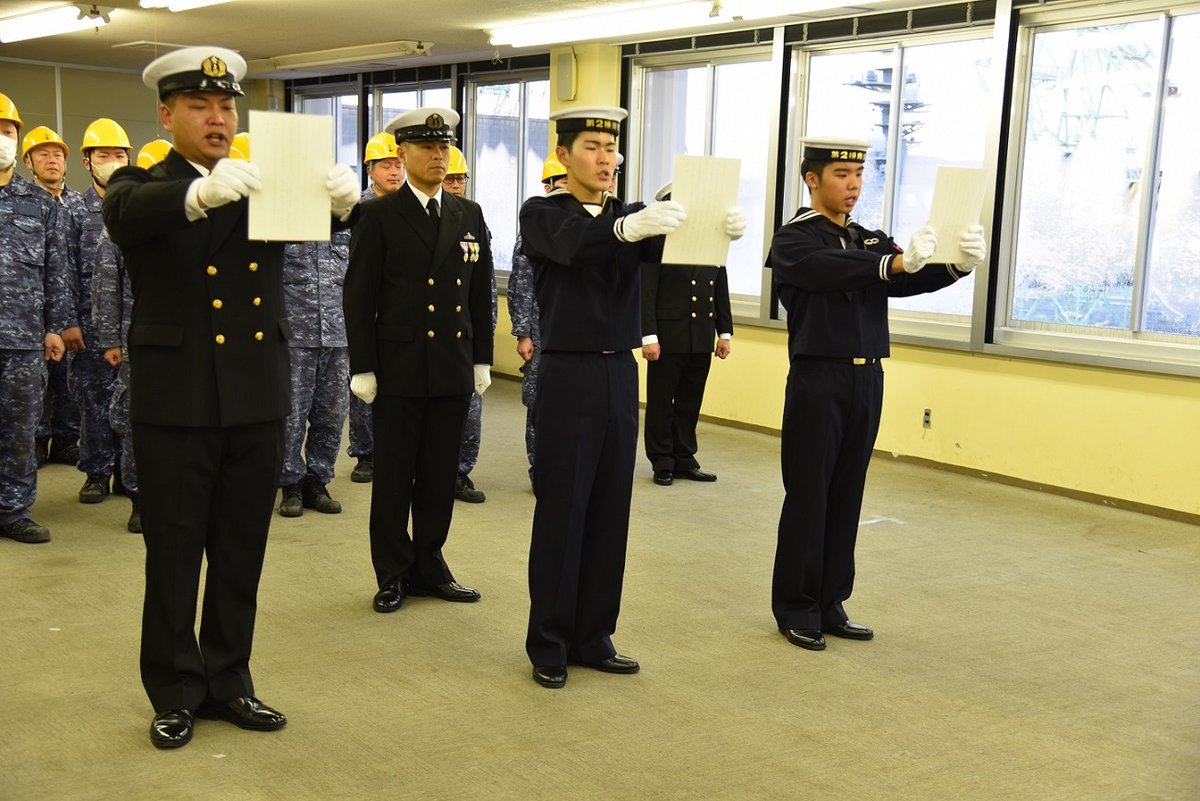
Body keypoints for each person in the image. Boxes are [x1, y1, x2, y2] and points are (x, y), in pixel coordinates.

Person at [101, 46, 360, 748]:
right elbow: (125, 215)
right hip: (178, 399)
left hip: (253, 391)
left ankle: (230, 680)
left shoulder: (261, 182)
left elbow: (312, 227)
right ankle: (175, 690)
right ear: (168, 113)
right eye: (199, 105)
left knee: (242, 549)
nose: (217, 117)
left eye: (225, 106)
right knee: (176, 552)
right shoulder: (143, 182)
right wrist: (197, 195)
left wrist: (340, 204)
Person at [767, 137, 986, 651]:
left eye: (860, 175)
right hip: (819, 378)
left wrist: (955, 266)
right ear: (812, 179)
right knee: (809, 494)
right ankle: (796, 606)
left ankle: (830, 601)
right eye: (842, 174)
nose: (854, 185)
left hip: (868, 377)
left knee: (847, 492)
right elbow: (831, 272)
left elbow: (904, 278)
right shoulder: (794, 240)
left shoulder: (867, 239)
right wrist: (895, 264)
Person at [519, 106, 686, 689]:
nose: (607, 159)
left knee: (612, 507)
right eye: (592, 146)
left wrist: (707, 224)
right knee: (563, 508)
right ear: (564, 156)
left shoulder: (629, 216)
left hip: (621, 372)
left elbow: (667, 256)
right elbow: (576, 246)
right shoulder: (542, 212)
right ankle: (549, 640)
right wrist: (627, 228)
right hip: (567, 372)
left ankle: (595, 633)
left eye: (612, 149)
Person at [344, 108, 494, 615]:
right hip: (401, 364)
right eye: (426, 147)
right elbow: (359, 295)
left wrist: (481, 357)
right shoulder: (378, 215)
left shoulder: (467, 213)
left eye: (443, 146)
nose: (437, 155)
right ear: (401, 155)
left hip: (451, 363)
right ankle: (392, 571)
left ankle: (430, 563)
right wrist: (362, 364)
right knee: (394, 475)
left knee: (437, 474)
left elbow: (478, 295)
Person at [0, 93, 70, 544]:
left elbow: (56, 270)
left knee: (21, 429)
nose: (0, 138)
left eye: (7, 131)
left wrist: (55, 326)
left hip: (24, 338)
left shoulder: (39, 202)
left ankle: (13, 510)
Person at [640, 181, 743, 485]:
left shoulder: (711, 241)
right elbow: (647, 291)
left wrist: (724, 333)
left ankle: (685, 457)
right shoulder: (657, 240)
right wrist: (649, 336)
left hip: (700, 335)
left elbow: (719, 286)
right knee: (662, 401)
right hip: (667, 337)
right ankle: (662, 461)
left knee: (689, 401)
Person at [275, 129, 351, 518]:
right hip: (295, 337)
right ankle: (289, 483)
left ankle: (317, 481)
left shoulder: (345, 223)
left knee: (331, 414)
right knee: (291, 413)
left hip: (338, 336)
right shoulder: (280, 221)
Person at [68, 118, 132, 505]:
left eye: (119, 154)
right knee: (93, 401)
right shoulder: (74, 209)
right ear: (87, 161)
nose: (111, 160)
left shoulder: (136, 205)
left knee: (128, 402)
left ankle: (128, 472)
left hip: (130, 323)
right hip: (89, 324)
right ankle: (96, 472)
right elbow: (63, 268)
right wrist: (68, 322)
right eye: (103, 154)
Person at [346, 131, 406, 484]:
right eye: (387, 165)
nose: (395, 172)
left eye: (398, 164)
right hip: (365, 310)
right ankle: (365, 453)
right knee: (362, 385)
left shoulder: (410, 209)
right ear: (370, 169)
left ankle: (390, 448)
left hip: (398, 313)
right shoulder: (356, 210)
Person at [22, 125, 81, 466]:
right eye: (43, 154)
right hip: (33, 306)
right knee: (37, 380)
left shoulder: (77, 202)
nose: (52, 160)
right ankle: (37, 441)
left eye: (57, 153)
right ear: (28, 161)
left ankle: (65, 439)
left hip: (75, 303)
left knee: (69, 378)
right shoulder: (23, 201)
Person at [508, 154, 567, 488]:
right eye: (561, 183)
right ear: (548, 187)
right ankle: (540, 468)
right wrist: (523, 333)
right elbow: (521, 285)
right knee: (540, 403)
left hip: (569, 332)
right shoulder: (534, 229)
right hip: (541, 332)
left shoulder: (579, 226)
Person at [442, 144, 495, 504]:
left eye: (461, 178)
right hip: (430, 336)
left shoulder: (473, 217)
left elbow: (483, 284)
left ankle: (460, 474)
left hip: (466, 335)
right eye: (451, 178)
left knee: (469, 414)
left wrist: (484, 353)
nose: (457, 185)